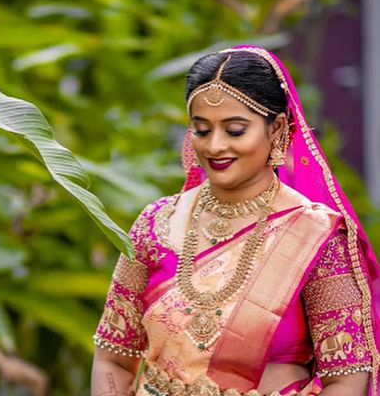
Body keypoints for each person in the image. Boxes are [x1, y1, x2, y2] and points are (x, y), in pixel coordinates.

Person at [91, 46, 380, 396]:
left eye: (235, 130)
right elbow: (114, 356)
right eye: (201, 130)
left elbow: (347, 376)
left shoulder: (316, 236)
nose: (215, 146)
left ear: (277, 130)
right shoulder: (156, 225)